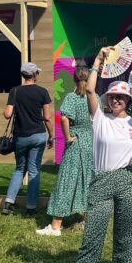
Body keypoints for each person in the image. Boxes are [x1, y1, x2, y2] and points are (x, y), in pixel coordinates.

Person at [45, 46, 132, 263]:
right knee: (92, 237)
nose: (116, 100)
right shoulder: (99, 118)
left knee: (125, 236)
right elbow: (89, 90)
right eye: (112, 97)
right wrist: (98, 61)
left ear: (129, 101)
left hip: (127, 181)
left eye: (121, 97)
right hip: (100, 181)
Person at [37, 66, 95, 236]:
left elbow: (64, 117)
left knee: (67, 181)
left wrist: (68, 137)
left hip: (76, 142)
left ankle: (55, 226)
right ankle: (87, 220)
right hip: (90, 143)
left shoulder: (72, 97)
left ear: (74, 79)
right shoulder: (95, 97)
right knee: (87, 180)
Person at [1, 63, 53, 216]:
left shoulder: (15, 91)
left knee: (19, 169)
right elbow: (47, 118)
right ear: (35, 74)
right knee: (34, 170)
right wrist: (51, 136)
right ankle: (31, 208)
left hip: (20, 136)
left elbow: (7, 114)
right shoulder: (42, 92)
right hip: (38, 135)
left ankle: (8, 203)